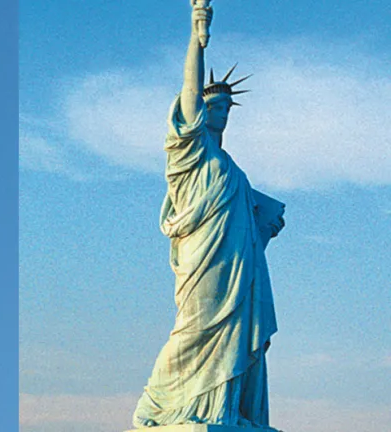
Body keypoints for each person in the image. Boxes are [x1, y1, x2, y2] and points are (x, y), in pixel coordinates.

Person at [131, 3, 285, 429]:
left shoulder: (232, 169)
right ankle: (157, 407)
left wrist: (268, 223)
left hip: (236, 262)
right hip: (203, 259)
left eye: (227, 109)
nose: (223, 113)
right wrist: (197, 37)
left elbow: (253, 221)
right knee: (194, 330)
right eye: (215, 106)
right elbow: (189, 88)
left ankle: (223, 410)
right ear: (199, 112)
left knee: (234, 332)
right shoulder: (190, 151)